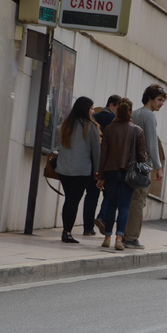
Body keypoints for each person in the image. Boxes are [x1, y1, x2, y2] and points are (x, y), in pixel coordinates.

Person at [97, 98, 146, 251]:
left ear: (117, 110)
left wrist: (100, 177)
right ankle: (119, 239)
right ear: (130, 112)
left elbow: (103, 155)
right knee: (124, 206)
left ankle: (107, 237)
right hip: (128, 173)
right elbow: (141, 156)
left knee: (111, 204)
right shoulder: (137, 131)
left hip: (111, 171)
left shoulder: (109, 129)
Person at [123, 84, 167, 249]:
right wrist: (158, 166)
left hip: (128, 163)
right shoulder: (149, 116)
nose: (161, 103)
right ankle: (131, 237)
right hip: (142, 166)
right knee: (138, 201)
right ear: (149, 99)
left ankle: (121, 233)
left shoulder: (134, 113)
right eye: (159, 99)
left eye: (163, 100)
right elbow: (152, 143)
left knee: (126, 200)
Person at [55, 96, 101, 244]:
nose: (93, 111)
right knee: (74, 201)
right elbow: (96, 151)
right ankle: (67, 233)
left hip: (63, 168)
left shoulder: (64, 125)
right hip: (81, 170)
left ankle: (65, 231)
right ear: (85, 109)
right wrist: (98, 170)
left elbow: (57, 146)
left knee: (68, 199)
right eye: (91, 108)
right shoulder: (91, 127)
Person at [84, 94, 120, 236]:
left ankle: (87, 228)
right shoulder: (114, 122)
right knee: (110, 194)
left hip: (91, 162)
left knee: (91, 195)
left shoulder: (94, 118)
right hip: (108, 164)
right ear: (111, 105)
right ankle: (102, 217)